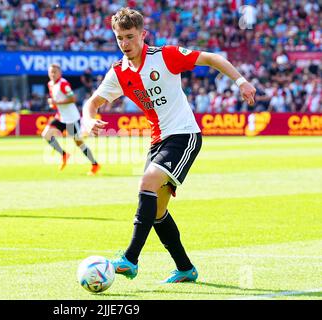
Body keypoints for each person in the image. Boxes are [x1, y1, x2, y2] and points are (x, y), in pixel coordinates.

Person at [82, 8, 256, 283]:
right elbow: (92, 102)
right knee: (157, 211)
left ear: (143, 35)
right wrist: (88, 119)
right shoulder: (118, 72)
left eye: (130, 37)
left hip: (184, 135)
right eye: (119, 38)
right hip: (157, 140)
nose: (125, 44)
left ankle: (129, 259)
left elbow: (211, 58)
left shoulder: (164, 56)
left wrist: (241, 81)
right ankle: (185, 268)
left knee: (147, 182)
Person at [42, 63, 100, 175]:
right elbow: (56, 102)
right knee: (46, 135)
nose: (52, 74)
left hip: (72, 119)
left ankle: (95, 164)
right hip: (60, 117)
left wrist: (56, 102)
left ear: (60, 73)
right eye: (51, 72)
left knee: (79, 143)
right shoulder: (50, 84)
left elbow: (73, 98)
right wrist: (53, 104)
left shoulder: (63, 83)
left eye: (55, 72)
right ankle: (64, 155)